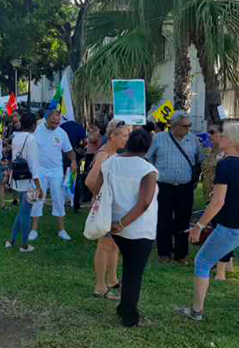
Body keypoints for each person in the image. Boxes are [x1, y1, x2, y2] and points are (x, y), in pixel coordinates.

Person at [180, 122, 239, 341]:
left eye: (224, 136)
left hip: (232, 227)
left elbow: (217, 202)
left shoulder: (227, 165)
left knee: (202, 263)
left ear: (233, 140)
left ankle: (196, 311)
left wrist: (198, 226)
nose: (219, 138)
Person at [92, 129, 158, 328]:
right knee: (133, 273)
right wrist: (122, 224)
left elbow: (98, 189)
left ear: (128, 143)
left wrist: (115, 221)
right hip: (138, 230)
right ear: (148, 147)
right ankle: (129, 316)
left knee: (128, 269)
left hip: (114, 224)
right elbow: (144, 203)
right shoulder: (148, 170)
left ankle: (124, 308)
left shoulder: (110, 163)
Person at [146, 112, 204, 265]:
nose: (188, 129)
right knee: (163, 219)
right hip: (163, 187)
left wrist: (194, 179)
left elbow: (200, 160)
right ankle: (164, 252)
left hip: (184, 188)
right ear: (174, 125)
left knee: (183, 220)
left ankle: (181, 254)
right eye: (185, 126)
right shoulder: (159, 138)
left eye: (189, 125)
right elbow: (148, 158)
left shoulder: (193, 140)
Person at [85, 119, 130, 301]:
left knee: (113, 245)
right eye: (125, 135)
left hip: (113, 208)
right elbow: (90, 181)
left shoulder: (115, 154)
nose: (127, 139)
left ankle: (112, 280)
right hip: (105, 208)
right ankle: (100, 285)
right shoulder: (104, 155)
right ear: (113, 136)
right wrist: (102, 197)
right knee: (104, 245)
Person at [29, 110, 78, 241]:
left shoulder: (62, 133)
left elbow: (70, 151)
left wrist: (73, 161)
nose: (56, 124)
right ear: (46, 119)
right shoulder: (37, 130)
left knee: (58, 198)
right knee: (37, 198)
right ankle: (33, 230)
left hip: (56, 171)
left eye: (58, 122)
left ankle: (62, 230)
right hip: (40, 170)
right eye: (53, 121)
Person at [200, 123, 234, 280]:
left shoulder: (227, 154)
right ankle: (228, 265)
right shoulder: (211, 150)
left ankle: (221, 271)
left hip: (221, 197)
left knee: (221, 234)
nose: (210, 135)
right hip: (209, 195)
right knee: (218, 231)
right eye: (209, 132)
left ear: (222, 134)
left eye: (212, 132)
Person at [6, 111, 43, 252]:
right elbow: (33, 166)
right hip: (28, 181)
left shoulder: (16, 137)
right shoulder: (31, 139)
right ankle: (24, 244)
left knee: (22, 211)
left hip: (17, 178)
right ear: (33, 125)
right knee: (25, 212)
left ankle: (12, 240)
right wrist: (39, 187)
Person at [61, 119, 87, 212]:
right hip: (80, 157)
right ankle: (76, 204)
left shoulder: (62, 126)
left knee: (63, 178)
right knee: (79, 178)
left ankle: (62, 202)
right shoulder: (80, 127)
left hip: (64, 156)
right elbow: (85, 141)